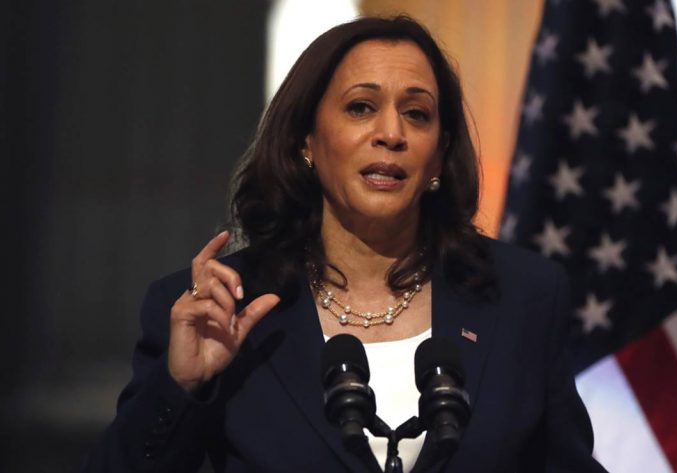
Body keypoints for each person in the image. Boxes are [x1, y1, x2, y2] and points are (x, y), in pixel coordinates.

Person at [81, 16, 607, 473]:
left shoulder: (522, 296)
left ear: (439, 154)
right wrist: (180, 387)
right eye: (361, 107)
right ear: (305, 141)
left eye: (417, 113)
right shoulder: (220, 310)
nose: (391, 133)